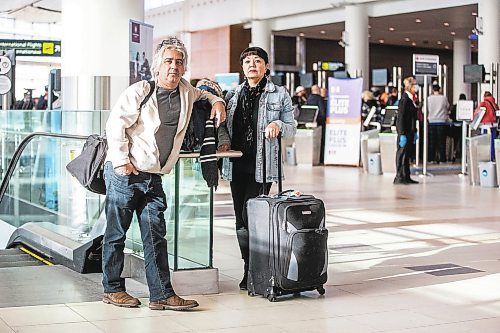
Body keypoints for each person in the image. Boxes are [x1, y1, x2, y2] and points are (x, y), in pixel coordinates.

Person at [102, 36, 226, 310]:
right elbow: (115, 126)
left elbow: (206, 93)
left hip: (153, 177)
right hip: (125, 173)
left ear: (184, 68)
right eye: (169, 61)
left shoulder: (186, 91)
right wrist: (122, 162)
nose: (174, 66)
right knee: (116, 234)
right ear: (158, 66)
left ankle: (161, 294)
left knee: (155, 235)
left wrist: (218, 102)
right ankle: (112, 288)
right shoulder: (140, 90)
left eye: (179, 62)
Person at [217, 46, 296, 290]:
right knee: (240, 221)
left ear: (266, 66)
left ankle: (257, 269)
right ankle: (248, 268)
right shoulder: (232, 95)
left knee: (251, 217)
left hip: (262, 167)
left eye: (258, 61)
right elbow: (222, 126)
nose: (253, 65)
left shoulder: (279, 94)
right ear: (242, 68)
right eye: (248, 61)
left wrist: (278, 123)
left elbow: (292, 128)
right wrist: (224, 140)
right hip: (236, 165)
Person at [394, 76, 419, 185]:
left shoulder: (411, 100)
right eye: (414, 85)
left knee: (407, 154)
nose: (416, 87)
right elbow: (401, 118)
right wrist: (402, 133)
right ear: (409, 86)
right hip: (404, 132)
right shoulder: (404, 100)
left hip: (410, 131)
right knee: (401, 153)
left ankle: (406, 176)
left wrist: (415, 131)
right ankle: (399, 176)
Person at [427, 85, 450, 163]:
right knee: (441, 142)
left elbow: (424, 110)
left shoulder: (429, 98)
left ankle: (431, 159)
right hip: (441, 121)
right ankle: (442, 159)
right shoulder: (443, 98)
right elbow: (447, 107)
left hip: (432, 122)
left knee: (432, 142)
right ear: (439, 90)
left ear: (433, 90)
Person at [474, 91, 500, 161]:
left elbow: (477, 113)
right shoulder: (494, 104)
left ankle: (486, 158)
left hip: (485, 126)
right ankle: (493, 157)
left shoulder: (483, 103)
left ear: (484, 97)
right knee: (492, 142)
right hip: (493, 125)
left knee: (485, 142)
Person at [306, 84, 327, 163]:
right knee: (321, 141)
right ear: (318, 90)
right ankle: (320, 158)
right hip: (319, 124)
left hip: (310, 122)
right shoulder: (319, 99)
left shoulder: (309, 98)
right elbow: (322, 112)